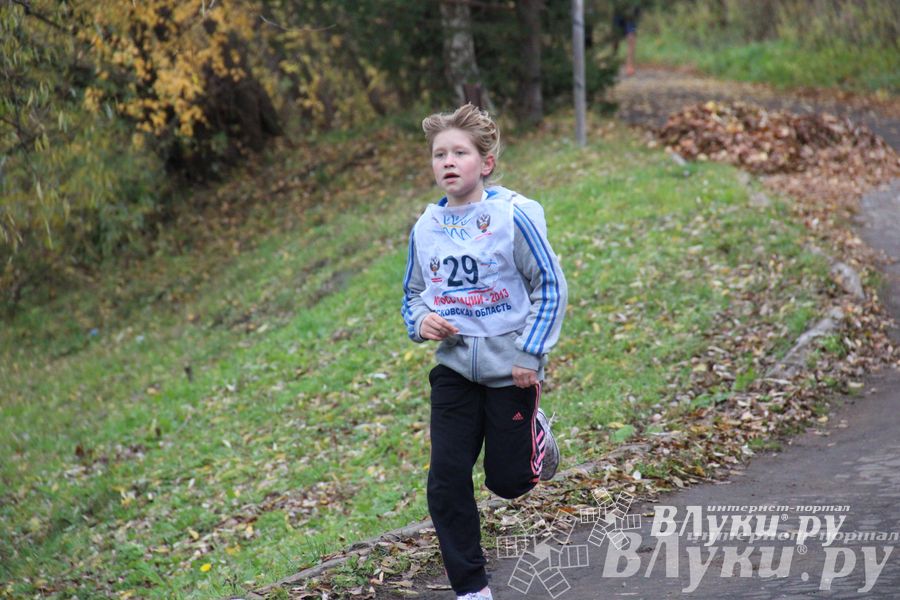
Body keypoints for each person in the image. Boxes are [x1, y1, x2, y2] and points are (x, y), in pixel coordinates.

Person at [401, 104, 568, 600]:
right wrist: (421, 322)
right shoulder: (426, 227)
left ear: (486, 163)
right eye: (439, 155)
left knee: (508, 483)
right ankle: (472, 588)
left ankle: (536, 433)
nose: (448, 162)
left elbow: (550, 287)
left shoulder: (512, 217)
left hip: (510, 370)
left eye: (460, 153)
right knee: (446, 480)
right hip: (454, 370)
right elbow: (413, 295)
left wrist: (530, 354)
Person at [612, 0, 642, 76]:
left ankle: (629, 65)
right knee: (615, 38)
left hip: (630, 9)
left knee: (631, 37)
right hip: (618, 9)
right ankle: (613, 59)